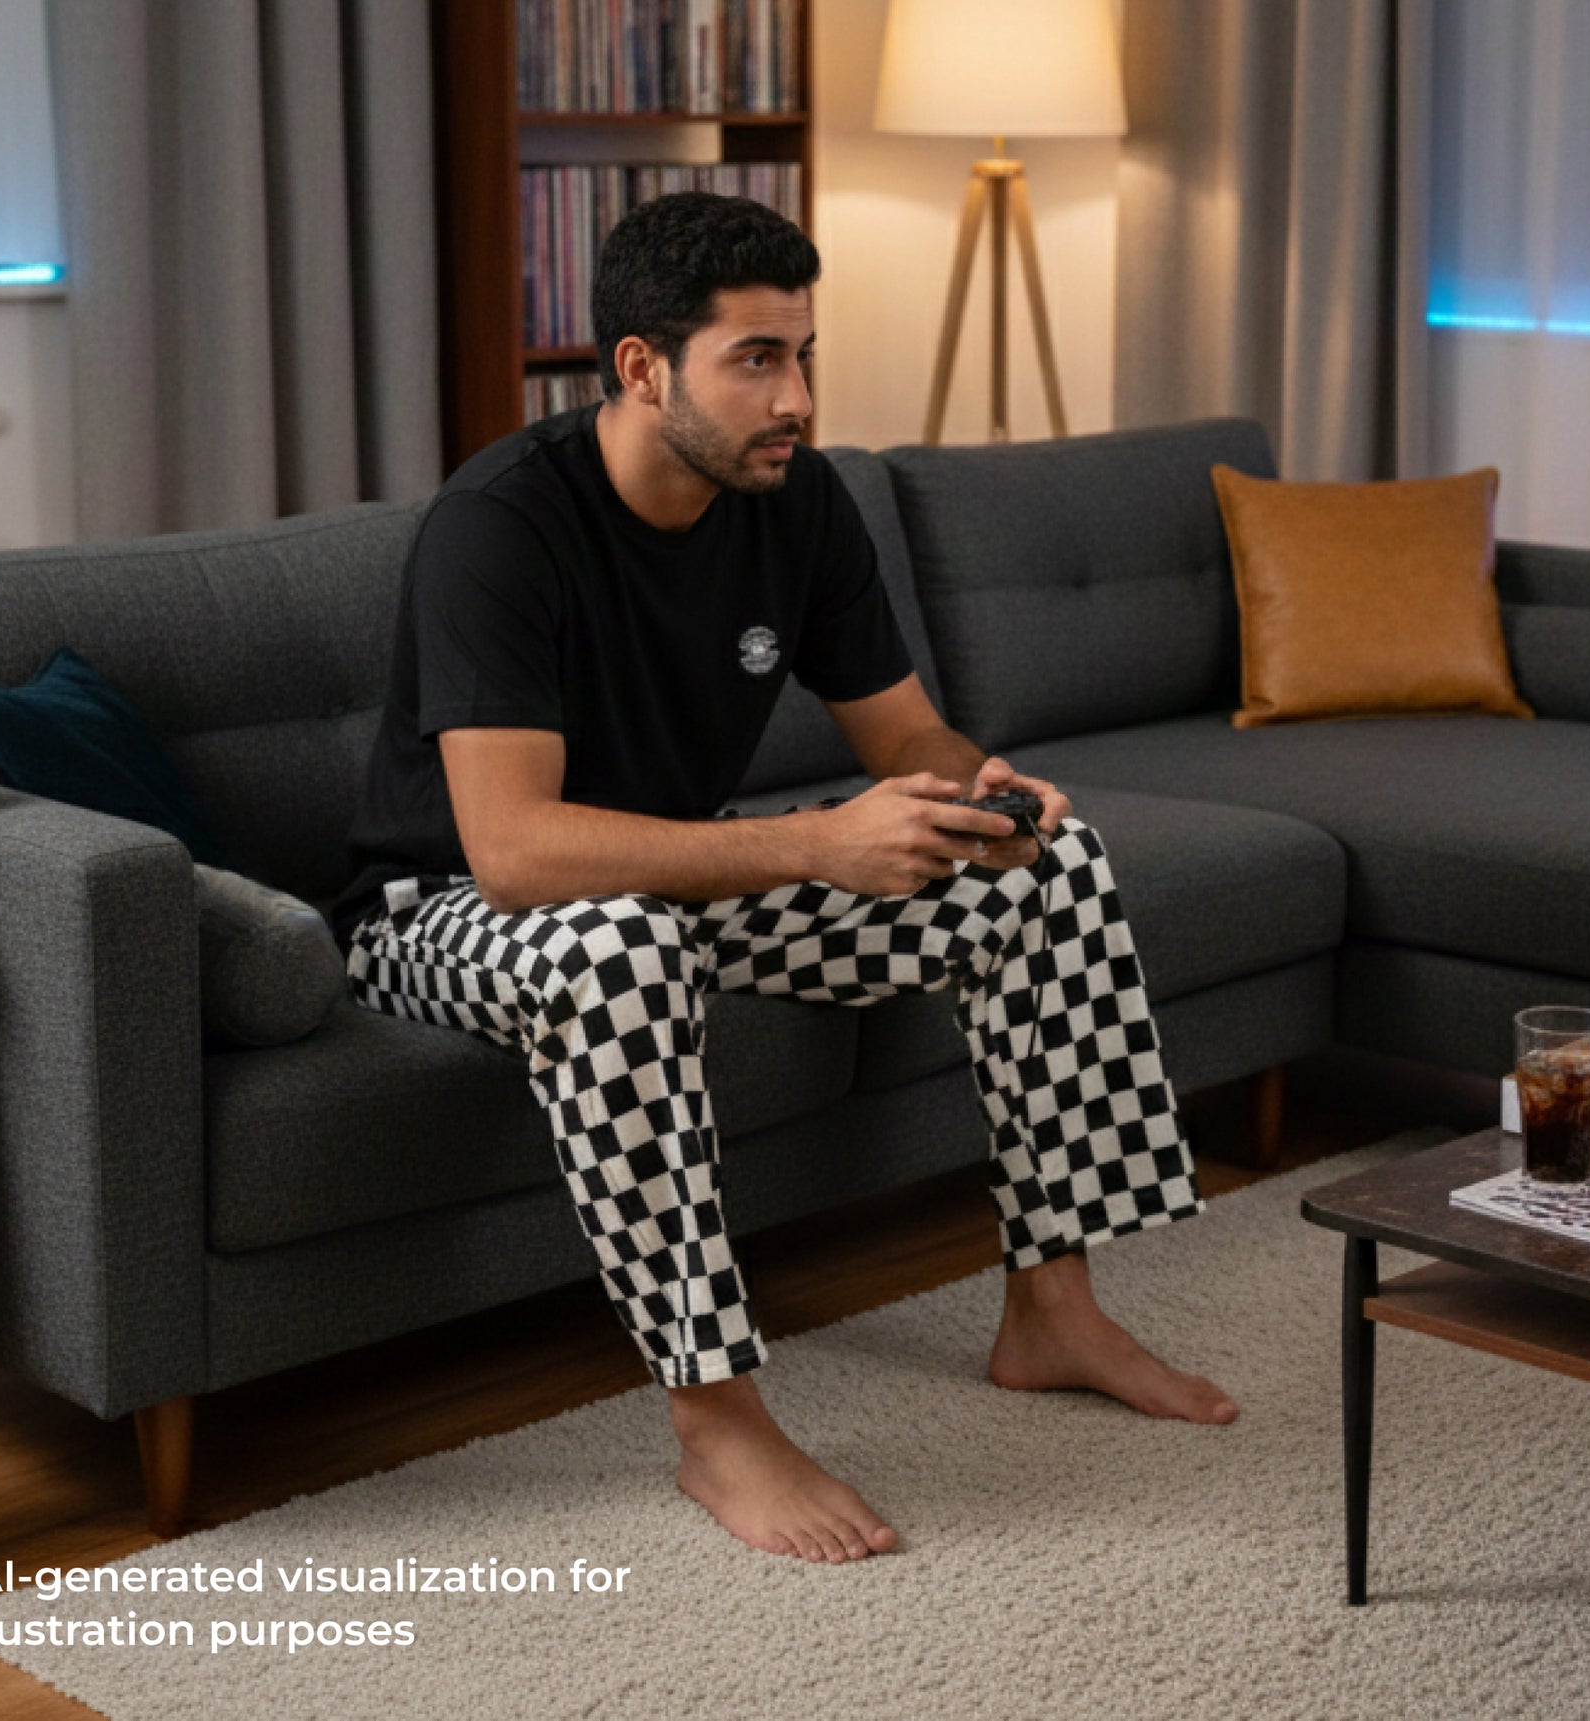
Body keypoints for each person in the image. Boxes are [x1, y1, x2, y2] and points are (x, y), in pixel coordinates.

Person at [332, 191, 1236, 1566]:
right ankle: (717, 1422)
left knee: (1039, 876)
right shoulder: (501, 526)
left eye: (803, 353)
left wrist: (978, 794)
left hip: (671, 886)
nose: (796, 396)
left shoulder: (798, 499)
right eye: (756, 358)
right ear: (641, 367)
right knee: (615, 948)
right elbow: (514, 851)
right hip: (440, 909)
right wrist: (816, 843)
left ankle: (1053, 1307)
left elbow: (901, 738)